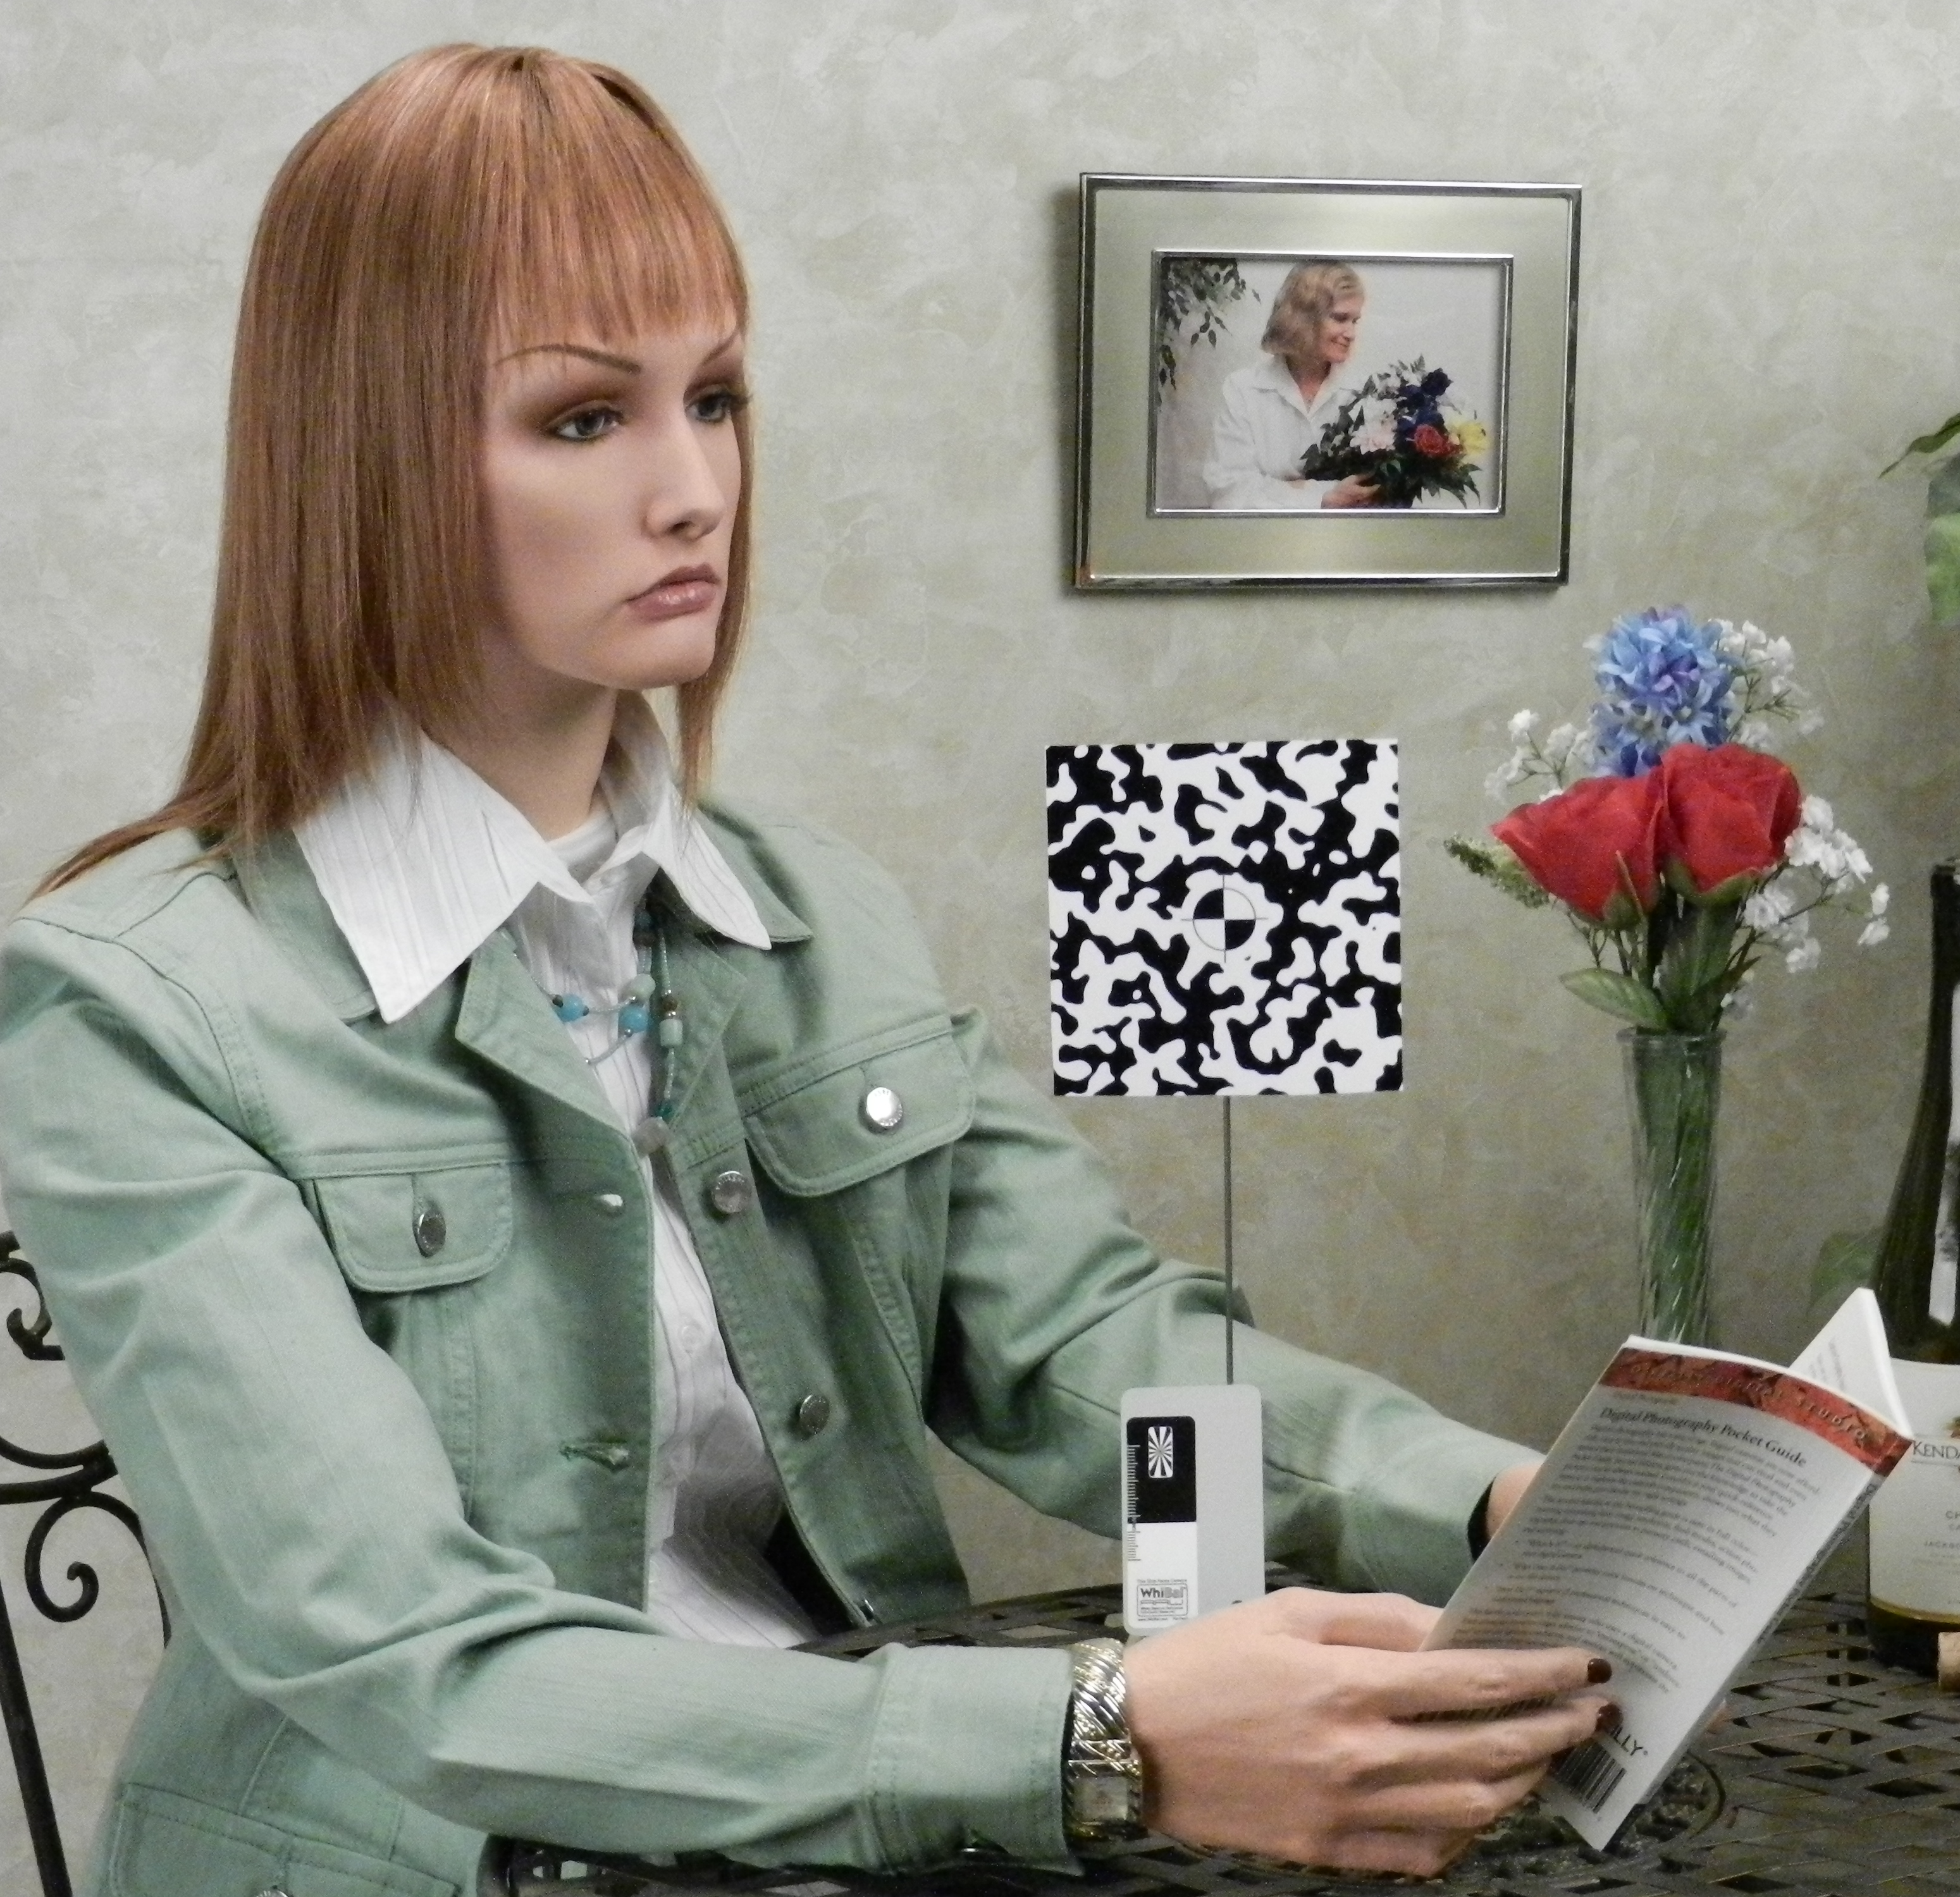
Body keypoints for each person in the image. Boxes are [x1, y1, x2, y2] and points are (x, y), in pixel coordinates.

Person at [0, 47, 1608, 1897]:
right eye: (583, 419)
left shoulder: (812, 911)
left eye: (715, 397)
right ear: (363, 453)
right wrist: (1100, 1735)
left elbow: (1083, 1343)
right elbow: (399, 1652)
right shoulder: (132, 1007)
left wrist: (1492, 1500)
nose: (695, 489)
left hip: (860, 1835)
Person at [1200, 260, 1383, 510]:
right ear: (1304, 318)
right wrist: (1322, 496)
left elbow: (1373, 490)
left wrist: (1284, 489)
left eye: (1355, 321)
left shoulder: (1366, 393)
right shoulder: (1244, 390)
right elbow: (1227, 494)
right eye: (1340, 319)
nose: (1351, 333)